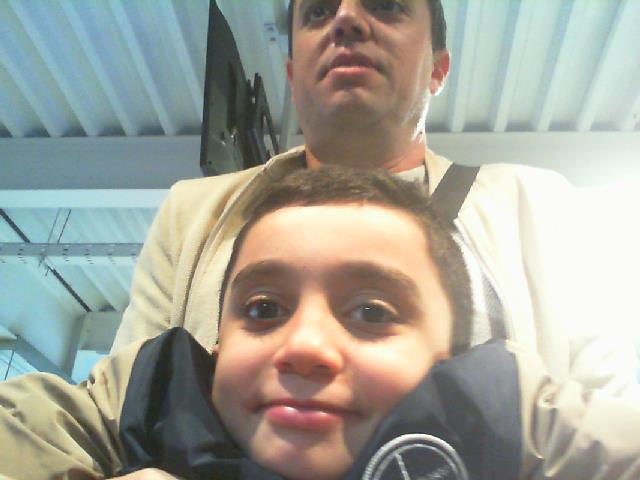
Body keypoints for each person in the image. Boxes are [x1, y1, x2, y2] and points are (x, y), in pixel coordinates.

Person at [111, 0, 639, 399]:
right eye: (318, 12)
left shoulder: (537, 207)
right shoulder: (192, 214)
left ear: (437, 69)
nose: (345, 18)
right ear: (293, 77)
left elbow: (613, 408)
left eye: (385, 5)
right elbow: (116, 407)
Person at [1, 167, 639, 480]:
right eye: (263, 310)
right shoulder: (155, 396)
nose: (304, 346)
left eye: (371, 313)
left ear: (446, 360)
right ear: (217, 346)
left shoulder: (500, 417)